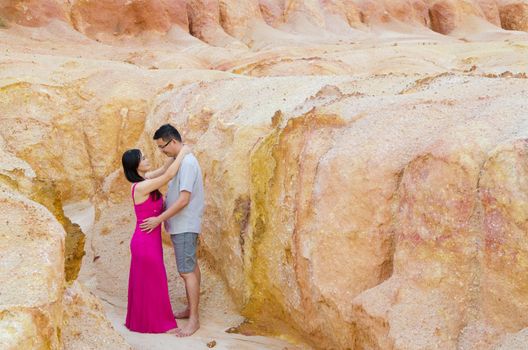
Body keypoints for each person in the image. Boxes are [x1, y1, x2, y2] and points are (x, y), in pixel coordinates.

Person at [140, 124, 204, 337]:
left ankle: (194, 319)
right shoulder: (181, 160)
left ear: (173, 142)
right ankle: (191, 309)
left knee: (186, 271)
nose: (161, 151)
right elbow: (165, 171)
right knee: (191, 267)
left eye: (162, 147)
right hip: (184, 224)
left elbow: (184, 199)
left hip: (184, 224)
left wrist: (158, 219)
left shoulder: (186, 163)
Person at [121, 144, 190, 333]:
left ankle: (144, 322)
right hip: (144, 242)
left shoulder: (145, 179)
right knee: (153, 281)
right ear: (136, 165)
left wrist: (175, 153)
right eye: (143, 158)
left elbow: (163, 170)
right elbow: (167, 176)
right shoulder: (141, 186)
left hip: (149, 240)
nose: (147, 159)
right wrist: (183, 153)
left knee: (150, 281)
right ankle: (157, 324)